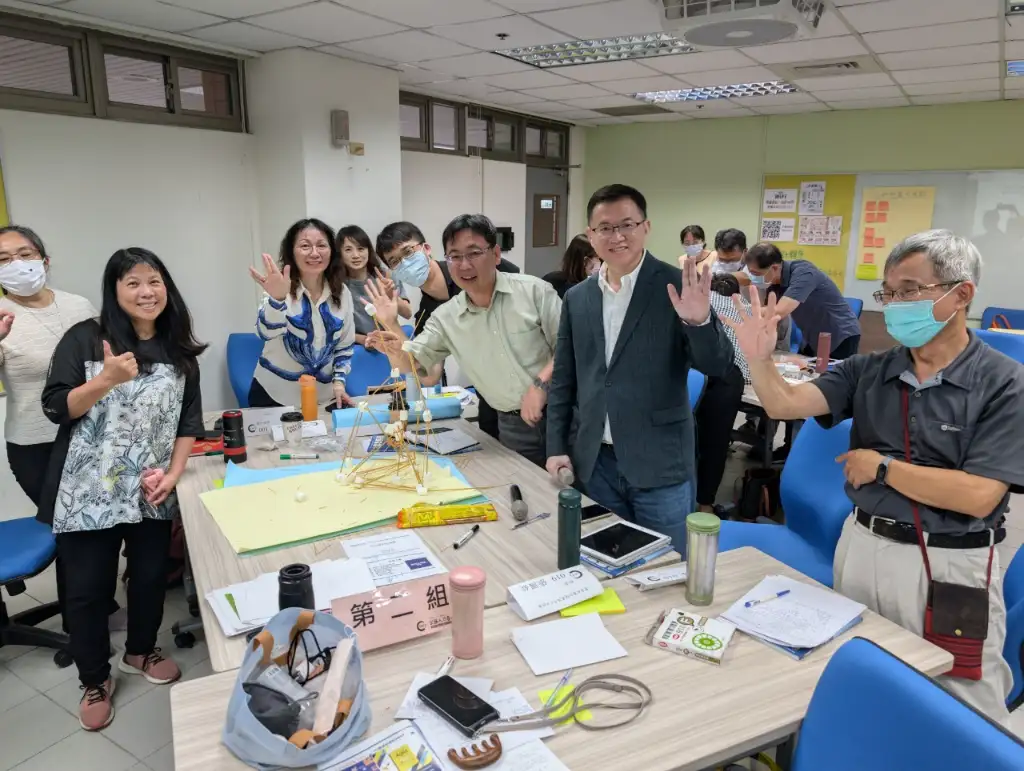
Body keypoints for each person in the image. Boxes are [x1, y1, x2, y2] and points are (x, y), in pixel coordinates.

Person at [726, 229, 1021, 724]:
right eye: (889, 293)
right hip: (862, 546)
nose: (896, 305)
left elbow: (978, 495)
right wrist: (757, 356)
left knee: (963, 701)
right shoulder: (869, 370)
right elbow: (783, 403)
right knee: (860, 677)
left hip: (951, 564)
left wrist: (882, 467)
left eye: (910, 290)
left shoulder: (1003, 382)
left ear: (962, 294)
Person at [39, 248, 207, 731]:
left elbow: (188, 423)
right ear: (114, 291)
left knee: (151, 576)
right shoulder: (86, 338)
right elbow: (56, 407)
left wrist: (174, 473)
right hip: (88, 488)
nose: (146, 292)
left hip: (150, 487)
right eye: (132, 283)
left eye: (154, 281)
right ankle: (94, 678)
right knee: (88, 590)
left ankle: (140, 650)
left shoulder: (178, 349)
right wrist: (105, 380)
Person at [546, 185, 734, 553]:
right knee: (605, 562)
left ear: (646, 227)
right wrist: (555, 447)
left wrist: (699, 322)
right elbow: (565, 378)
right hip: (595, 464)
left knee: (666, 567)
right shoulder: (578, 297)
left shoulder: (677, 286)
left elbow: (717, 366)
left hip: (659, 464)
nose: (617, 236)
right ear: (590, 235)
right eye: (605, 228)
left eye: (627, 225)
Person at [366, 214, 560, 467]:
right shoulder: (441, 316)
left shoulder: (533, 291)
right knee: (526, 484)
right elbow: (422, 370)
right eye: (455, 256)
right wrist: (390, 327)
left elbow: (570, 347)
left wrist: (539, 385)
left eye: (474, 253)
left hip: (563, 411)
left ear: (496, 254)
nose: (465, 264)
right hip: (512, 421)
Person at [376, 221, 521, 440]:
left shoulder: (469, 268)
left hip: (529, 388)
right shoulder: (428, 313)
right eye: (394, 261)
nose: (404, 263)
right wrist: (391, 321)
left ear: (426, 248)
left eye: (408, 252)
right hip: (490, 396)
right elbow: (429, 376)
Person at [248, 218, 355, 409]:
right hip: (275, 396)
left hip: (323, 398)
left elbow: (344, 346)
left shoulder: (342, 292)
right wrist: (277, 299)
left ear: (332, 251)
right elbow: (264, 333)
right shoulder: (279, 287)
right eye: (305, 246)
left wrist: (339, 383)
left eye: (321, 245)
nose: (314, 253)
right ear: (291, 252)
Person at [743, 242, 860, 359]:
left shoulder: (804, 273)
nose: (753, 278)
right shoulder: (773, 283)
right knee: (802, 367)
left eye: (756, 274)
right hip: (812, 336)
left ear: (774, 268)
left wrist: (743, 311)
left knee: (832, 370)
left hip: (839, 335)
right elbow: (767, 316)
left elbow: (779, 311)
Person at [694, 273, 751, 511]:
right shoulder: (746, 308)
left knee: (687, 437)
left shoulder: (701, 301)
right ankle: (705, 504)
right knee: (716, 442)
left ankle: (679, 497)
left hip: (694, 373)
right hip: (728, 377)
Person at [337, 224, 411, 348]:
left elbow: (408, 313)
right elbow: (332, 330)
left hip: (392, 343)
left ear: (368, 250)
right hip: (360, 349)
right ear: (340, 253)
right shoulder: (337, 285)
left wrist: (391, 295)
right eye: (348, 250)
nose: (356, 255)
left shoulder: (385, 276)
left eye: (361, 248)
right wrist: (364, 339)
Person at [544, 234, 601, 299]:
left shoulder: (550, 279)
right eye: (597, 257)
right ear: (585, 261)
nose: (600, 262)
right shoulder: (577, 291)